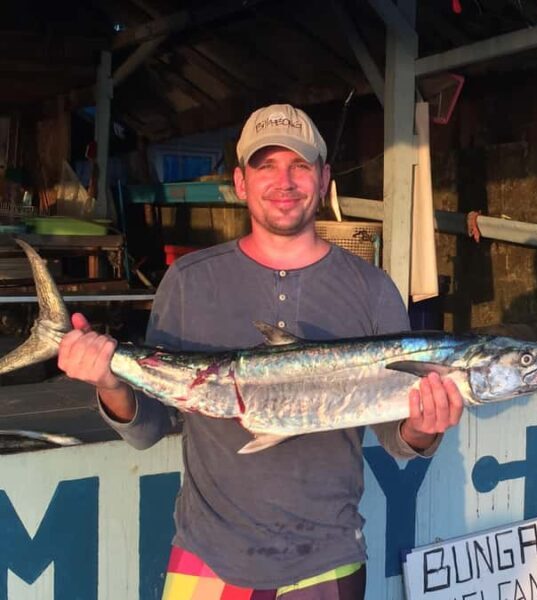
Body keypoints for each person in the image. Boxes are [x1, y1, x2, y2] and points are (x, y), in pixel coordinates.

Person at [57, 104, 464, 599]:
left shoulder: (372, 288)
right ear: (241, 182)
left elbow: (396, 437)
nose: (284, 181)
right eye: (265, 165)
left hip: (327, 558)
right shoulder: (188, 281)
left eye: (300, 165)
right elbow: (150, 428)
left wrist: (423, 427)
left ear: (324, 179)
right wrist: (109, 383)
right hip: (208, 554)